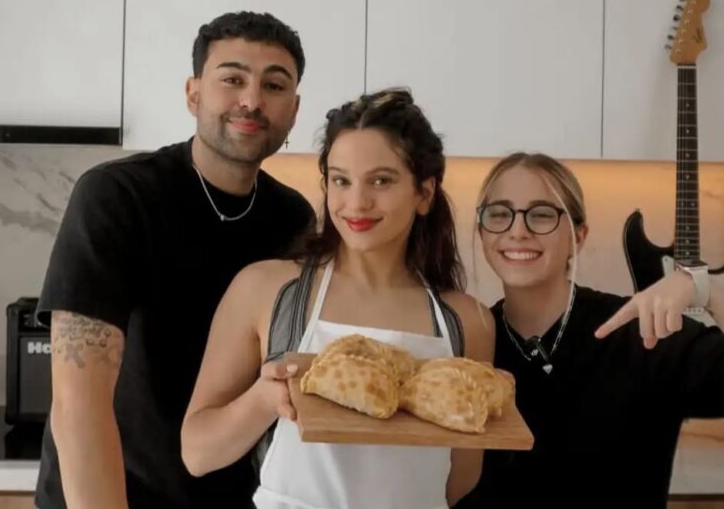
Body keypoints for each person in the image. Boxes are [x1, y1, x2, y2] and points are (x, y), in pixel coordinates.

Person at [34, 12, 315, 509]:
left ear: (293, 111)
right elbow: (79, 403)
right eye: (232, 79)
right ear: (193, 94)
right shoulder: (118, 196)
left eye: (274, 85)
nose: (252, 100)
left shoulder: (292, 219)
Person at [181, 88, 495, 509]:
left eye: (381, 180)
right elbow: (198, 453)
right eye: (341, 180)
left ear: (424, 193)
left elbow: (460, 476)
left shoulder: (467, 320)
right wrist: (265, 398)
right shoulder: (265, 290)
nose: (356, 203)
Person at [456, 152, 724, 508]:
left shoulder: (644, 335)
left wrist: (705, 290)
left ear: (578, 236)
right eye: (500, 214)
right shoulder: (468, 345)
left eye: (542, 214)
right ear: (482, 232)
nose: (518, 231)